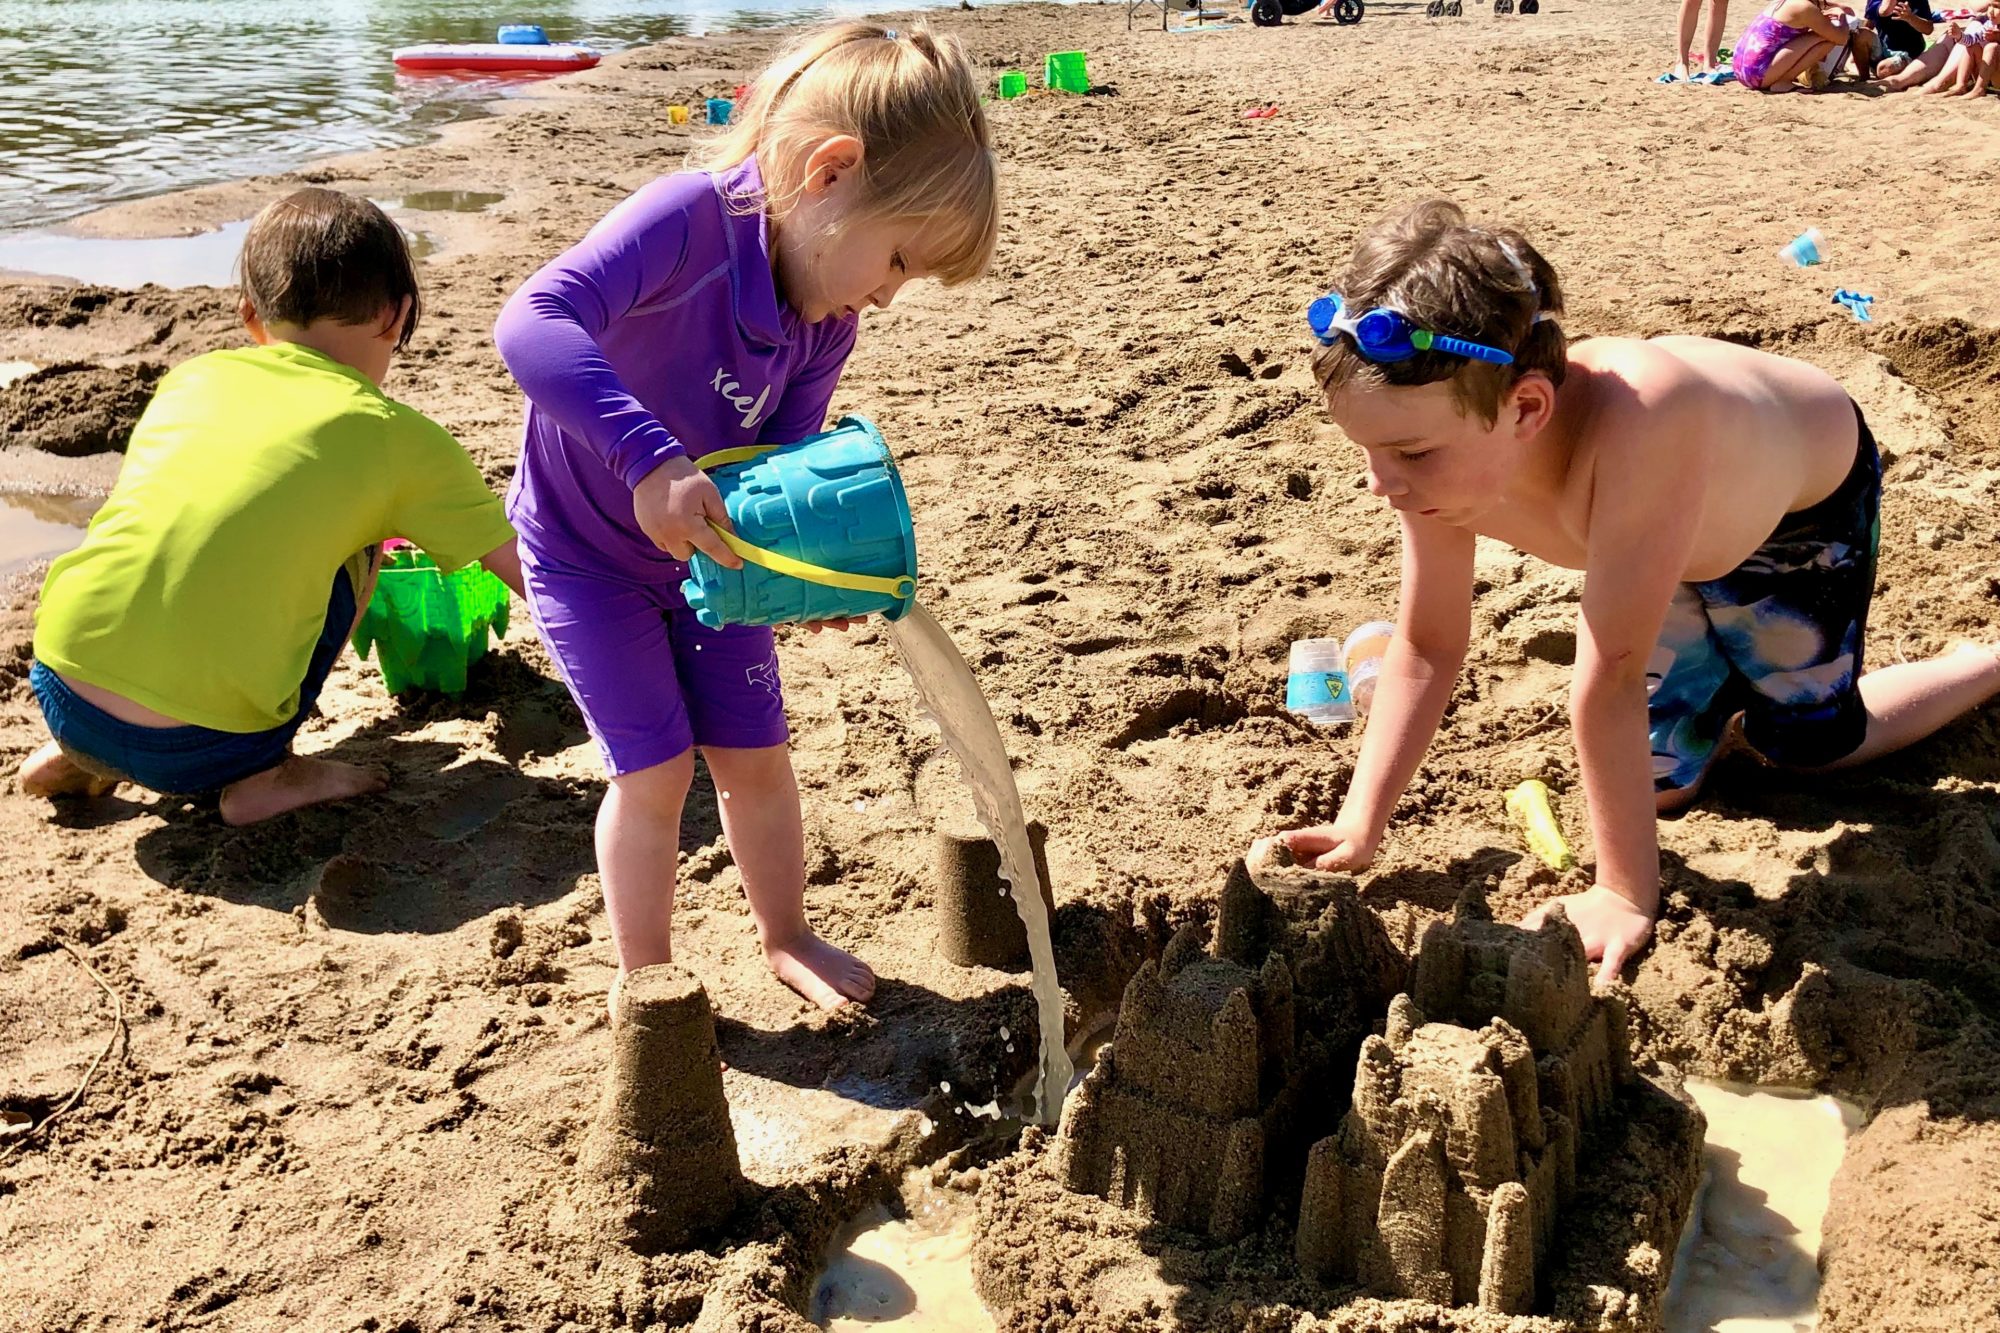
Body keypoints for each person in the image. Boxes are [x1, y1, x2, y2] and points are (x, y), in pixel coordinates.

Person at [1265, 200, 2000, 984]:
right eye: (1370, 451)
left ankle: (1982, 661)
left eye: (1406, 451)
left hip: (1795, 524)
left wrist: (1621, 891)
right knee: (1660, 787)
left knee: (1812, 750)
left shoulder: (1642, 421)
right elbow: (1428, 643)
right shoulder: (1445, 463)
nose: (1382, 483)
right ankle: (1719, 684)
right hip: (1662, 550)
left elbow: (1608, 672)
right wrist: (1360, 819)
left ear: (1527, 408)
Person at [493, 22, 999, 1011]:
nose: (890, 296)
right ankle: (650, 985)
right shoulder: (685, 224)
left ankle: (786, 934)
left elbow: (783, 470)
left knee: (755, 756)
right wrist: (647, 458)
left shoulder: (821, 325)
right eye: (896, 259)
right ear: (830, 174)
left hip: (707, 562)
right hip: (587, 556)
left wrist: (813, 571)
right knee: (655, 769)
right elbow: (530, 322)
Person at [19, 189, 522, 826]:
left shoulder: (191, 380)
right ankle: (265, 773)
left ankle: (79, 756)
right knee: (364, 545)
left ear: (250, 317)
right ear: (396, 318)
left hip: (63, 686)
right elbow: (535, 576)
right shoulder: (400, 437)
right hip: (205, 748)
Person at [1732, 0, 1855, 89]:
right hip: (1758, 75)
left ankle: (1781, 77)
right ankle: (1784, 81)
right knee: (1828, 39)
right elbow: (1841, 38)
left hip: (1741, 71)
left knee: (1820, 33)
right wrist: (1842, 17)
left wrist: (1833, 6)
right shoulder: (1804, 7)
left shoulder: (1782, 2)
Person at [1861, 0, 1937, 76]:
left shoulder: (1917, 2)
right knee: (1860, 34)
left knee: (1884, 68)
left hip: (1908, 53)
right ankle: (1864, 80)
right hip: (1883, 48)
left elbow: (1928, 29)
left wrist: (1910, 17)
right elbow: (1868, 25)